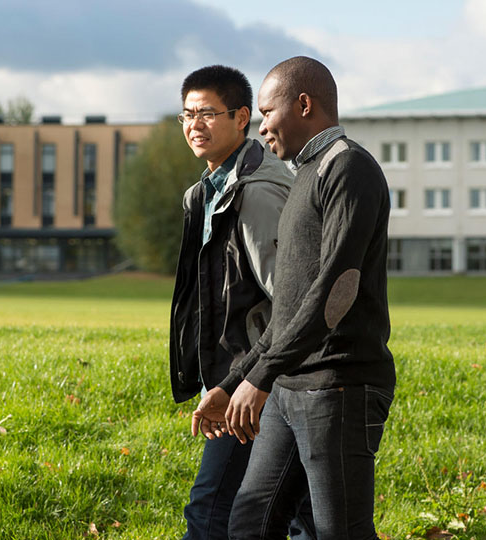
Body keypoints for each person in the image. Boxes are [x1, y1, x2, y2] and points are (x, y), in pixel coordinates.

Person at [192, 56, 396, 540]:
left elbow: (335, 292)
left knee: (338, 532)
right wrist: (235, 380)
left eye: (267, 113)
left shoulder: (348, 167)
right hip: (289, 386)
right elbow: (288, 307)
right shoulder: (303, 175)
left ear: (303, 104)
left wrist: (259, 377)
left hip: (339, 386)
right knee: (250, 525)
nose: (262, 128)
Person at [170, 65, 314, 540]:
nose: (195, 124)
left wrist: (247, 381)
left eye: (208, 113)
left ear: (241, 117)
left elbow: (290, 301)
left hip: (264, 381)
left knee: (212, 511)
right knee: (299, 516)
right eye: (187, 114)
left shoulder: (257, 192)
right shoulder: (207, 193)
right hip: (246, 378)